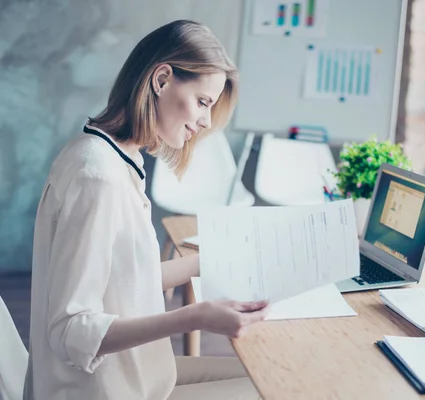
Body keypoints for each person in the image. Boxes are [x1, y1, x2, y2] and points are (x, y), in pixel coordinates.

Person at [25, 20, 268, 400]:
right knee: (273, 389)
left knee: (265, 379)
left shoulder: (114, 158)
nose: (206, 121)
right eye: (203, 101)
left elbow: (124, 281)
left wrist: (210, 262)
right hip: (104, 390)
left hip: (139, 375)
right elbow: (70, 330)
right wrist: (196, 316)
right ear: (162, 79)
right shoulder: (98, 176)